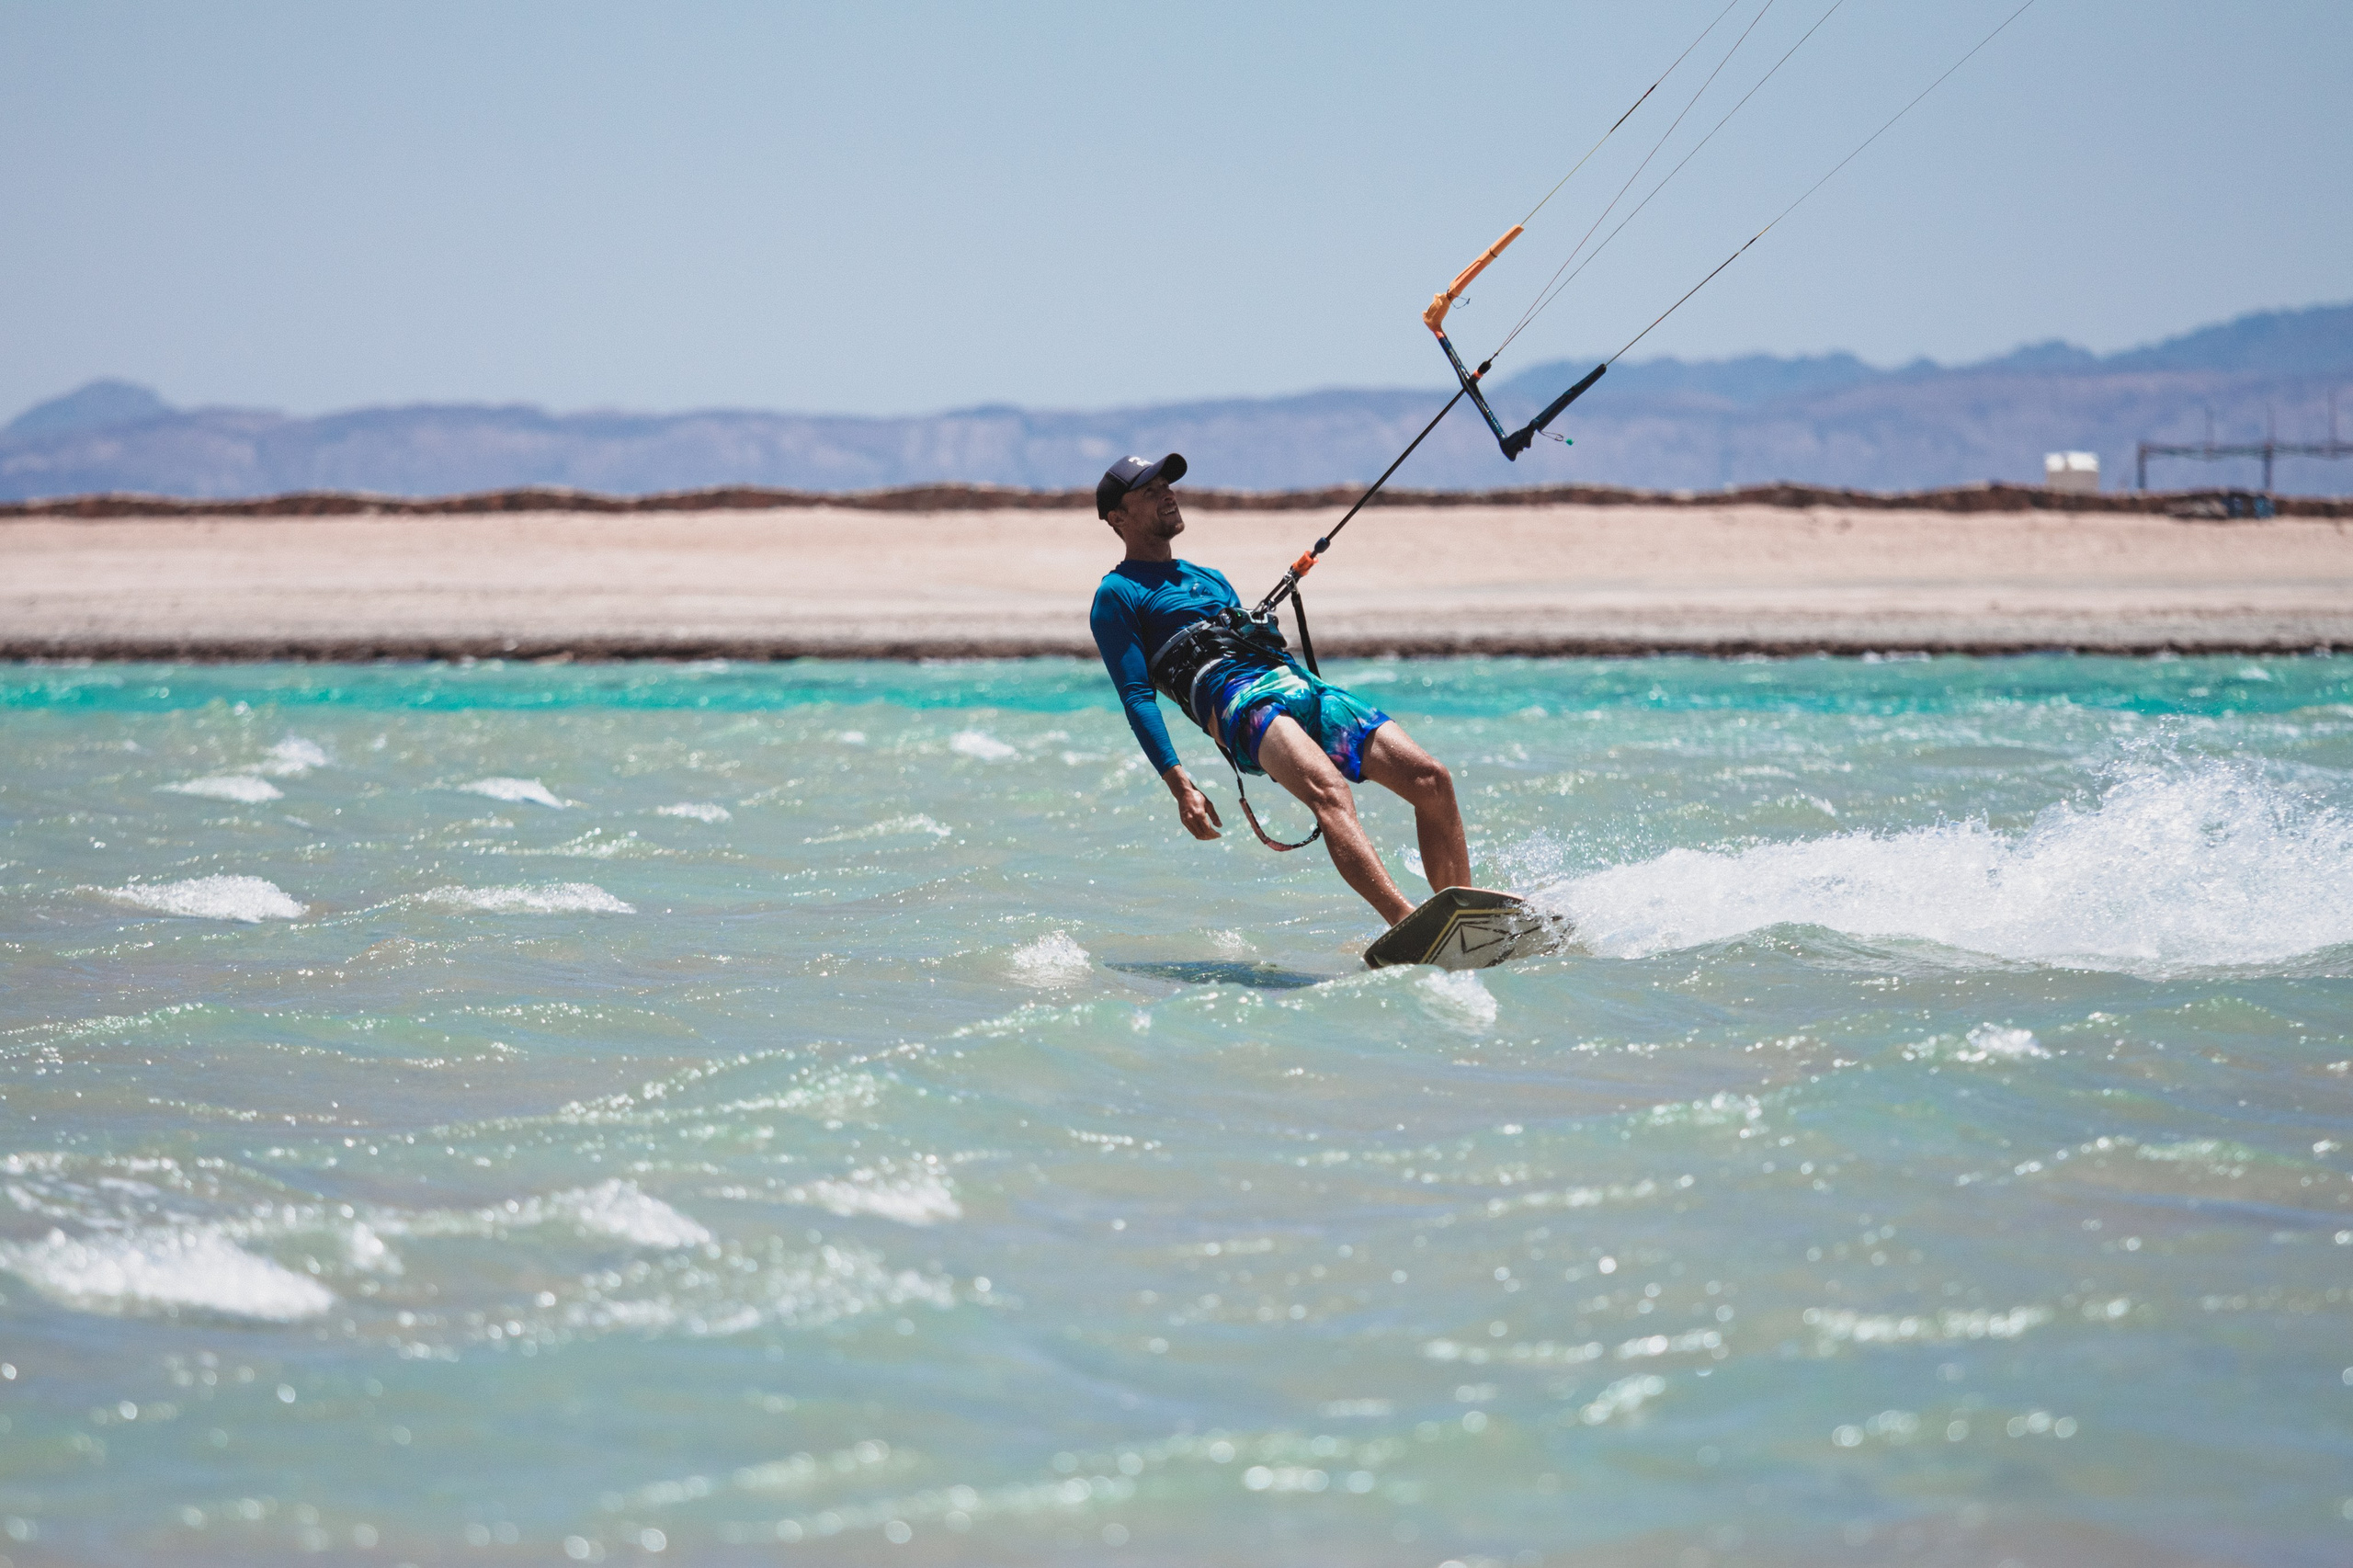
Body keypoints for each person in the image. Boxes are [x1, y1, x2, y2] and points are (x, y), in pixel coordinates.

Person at [1087, 452, 1470, 929]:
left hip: (1292, 681)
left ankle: (1467, 917)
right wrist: (1180, 785)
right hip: (1237, 703)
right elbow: (1137, 696)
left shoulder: (1209, 577)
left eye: (1167, 485)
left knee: (1431, 780)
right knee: (1329, 793)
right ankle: (1407, 923)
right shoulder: (1116, 595)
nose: (1167, 494)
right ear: (1118, 518)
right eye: (1149, 492)